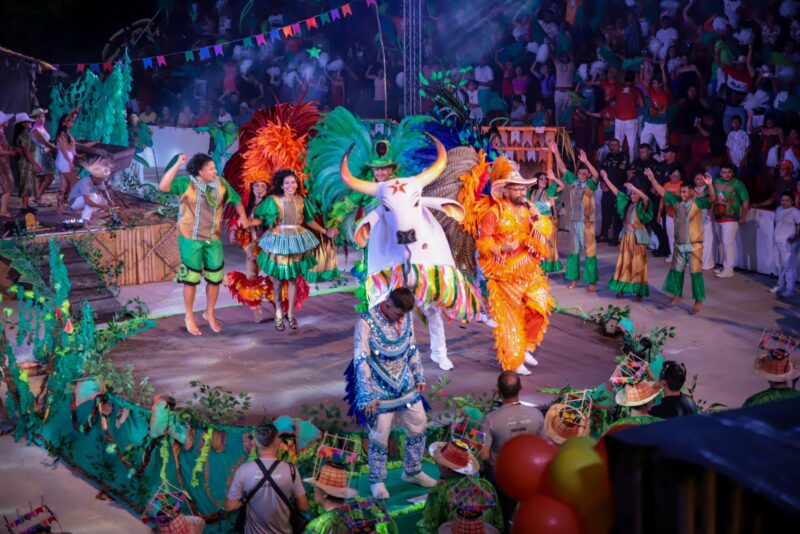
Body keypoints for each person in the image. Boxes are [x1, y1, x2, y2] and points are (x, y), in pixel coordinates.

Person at [345, 288, 437, 500]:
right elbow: (361, 359)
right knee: (380, 435)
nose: (401, 319)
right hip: (378, 390)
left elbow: (411, 347)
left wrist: (418, 374)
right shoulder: (366, 323)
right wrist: (367, 395)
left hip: (405, 384)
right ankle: (377, 480)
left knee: (419, 424)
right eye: (398, 314)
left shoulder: (405, 317)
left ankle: (412, 470)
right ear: (387, 305)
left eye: (404, 315)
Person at [475, 157, 555, 375]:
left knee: (539, 307)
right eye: (517, 189)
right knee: (510, 319)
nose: (522, 192)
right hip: (505, 273)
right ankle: (513, 360)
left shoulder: (528, 210)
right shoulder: (494, 213)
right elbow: (483, 242)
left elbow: (542, 234)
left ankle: (526, 347)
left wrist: (538, 219)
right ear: (506, 191)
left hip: (529, 269)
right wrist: (501, 247)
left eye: (523, 189)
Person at [158, 152, 250, 336]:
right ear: (200, 171)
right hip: (190, 238)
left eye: (215, 168)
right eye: (211, 169)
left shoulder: (221, 184)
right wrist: (177, 164)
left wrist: (243, 217)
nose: (215, 171)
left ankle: (210, 313)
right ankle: (189, 316)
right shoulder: (186, 183)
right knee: (191, 278)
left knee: (215, 277)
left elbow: (237, 201)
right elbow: (163, 186)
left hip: (213, 238)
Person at [253, 169, 337, 331]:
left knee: (293, 279)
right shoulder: (274, 201)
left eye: (293, 182)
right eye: (287, 183)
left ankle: (291, 314)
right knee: (278, 280)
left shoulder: (301, 201)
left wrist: (325, 231)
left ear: (297, 184)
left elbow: (309, 221)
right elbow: (261, 219)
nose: (290, 185)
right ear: (281, 185)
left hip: (296, 241)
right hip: (279, 241)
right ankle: (278, 312)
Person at [479, 371, 544, 528]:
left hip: (502, 477)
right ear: (521, 387)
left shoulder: (490, 419)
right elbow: (544, 447)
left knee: (501, 517)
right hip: (530, 475)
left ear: (498, 389)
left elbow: (483, 455)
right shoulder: (536, 414)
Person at [648, 169, 717, 313]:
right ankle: (677, 295)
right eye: (681, 192)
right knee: (677, 271)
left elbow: (712, 199)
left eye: (685, 192)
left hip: (694, 246)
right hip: (679, 245)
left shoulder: (698, 202)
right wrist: (653, 179)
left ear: (692, 192)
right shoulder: (676, 201)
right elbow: (663, 192)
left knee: (695, 274)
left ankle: (698, 300)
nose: (682, 194)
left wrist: (710, 185)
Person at [225, 422, 309, 534]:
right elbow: (303, 506)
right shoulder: (291, 470)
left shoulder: (243, 471)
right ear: (278, 442)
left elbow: (230, 506)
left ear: (254, 443)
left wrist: (245, 500)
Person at [416, 439, 503, 534]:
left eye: (439, 463)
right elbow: (499, 525)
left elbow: (426, 527)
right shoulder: (487, 486)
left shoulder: (441, 490)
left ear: (447, 468)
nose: (437, 465)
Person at [552, 142, 600, 292]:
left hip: (587, 223)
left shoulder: (591, 185)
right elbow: (563, 169)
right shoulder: (574, 183)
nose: (582, 176)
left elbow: (596, 176)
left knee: (590, 252)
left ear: (588, 175)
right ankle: (573, 278)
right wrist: (556, 152)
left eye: (585, 174)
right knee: (574, 251)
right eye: (580, 173)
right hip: (574, 222)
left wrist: (586, 161)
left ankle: (591, 282)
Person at [601, 171, 653, 301]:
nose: (633, 195)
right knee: (624, 263)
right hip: (626, 238)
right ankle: (623, 287)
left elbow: (646, 198)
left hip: (637, 239)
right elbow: (616, 192)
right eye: (631, 193)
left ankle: (638, 292)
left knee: (637, 264)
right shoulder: (627, 203)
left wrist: (634, 188)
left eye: (635, 193)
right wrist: (606, 179)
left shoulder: (642, 205)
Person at [227, 179, 272, 323]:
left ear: (268, 189)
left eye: (263, 186)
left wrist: (250, 222)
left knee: (274, 276)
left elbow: (265, 222)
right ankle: (256, 309)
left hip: (269, 243)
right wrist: (233, 230)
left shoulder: (271, 204)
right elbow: (237, 219)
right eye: (256, 185)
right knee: (251, 276)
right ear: (251, 188)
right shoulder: (247, 203)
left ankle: (282, 307)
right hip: (251, 242)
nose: (259, 188)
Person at [713, 162, 750, 278]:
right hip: (718, 217)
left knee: (728, 242)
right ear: (720, 173)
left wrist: (743, 216)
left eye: (729, 172)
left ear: (733, 173)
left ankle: (729, 270)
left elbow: (745, 201)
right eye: (724, 172)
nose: (727, 174)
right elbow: (711, 196)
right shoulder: (716, 182)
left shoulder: (738, 184)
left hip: (731, 217)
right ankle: (725, 267)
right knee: (723, 243)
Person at [530, 169, 565, 273]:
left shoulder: (550, 190)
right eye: (541, 179)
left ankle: (549, 265)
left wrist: (553, 178)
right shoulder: (531, 192)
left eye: (545, 179)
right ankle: (538, 263)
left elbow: (562, 186)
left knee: (549, 244)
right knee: (538, 244)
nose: (544, 181)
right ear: (536, 180)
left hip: (548, 221)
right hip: (536, 222)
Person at [770, 192, 800, 298]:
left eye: (787, 200)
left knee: (789, 266)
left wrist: (796, 238)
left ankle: (790, 289)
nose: (784, 202)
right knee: (779, 265)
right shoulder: (779, 209)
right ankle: (780, 284)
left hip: (788, 242)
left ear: (792, 201)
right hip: (777, 240)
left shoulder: (795, 212)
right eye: (782, 200)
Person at [599, 138, 629, 246]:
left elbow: (620, 174)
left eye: (615, 145)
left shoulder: (623, 157)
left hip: (617, 190)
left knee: (617, 215)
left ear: (619, 146)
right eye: (611, 145)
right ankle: (604, 234)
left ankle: (616, 237)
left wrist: (610, 186)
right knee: (605, 212)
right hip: (606, 190)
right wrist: (602, 183)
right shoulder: (608, 156)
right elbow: (601, 169)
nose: (613, 147)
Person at [30, 108, 56, 206]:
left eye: (43, 116)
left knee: (41, 178)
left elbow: (47, 143)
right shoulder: (35, 130)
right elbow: (45, 143)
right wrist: (56, 148)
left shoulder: (41, 128)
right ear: (35, 118)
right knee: (49, 177)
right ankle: (38, 197)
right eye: (39, 117)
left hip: (45, 153)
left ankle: (39, 199)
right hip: (39, 154)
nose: (42, 118)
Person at [13, 113, 37, 212]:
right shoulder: (24, 135)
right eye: (28, 122)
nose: (30, 123)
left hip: (25, 162)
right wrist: (35, 164)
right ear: (23, 123)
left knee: (27, 183)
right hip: (25, 162)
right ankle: (24, 206)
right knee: (26, 183)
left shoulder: (25, 134)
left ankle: (26, 204)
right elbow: (27, 151)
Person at [0, 111, 18, 217]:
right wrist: (10, 152)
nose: (7, 121)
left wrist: (11, 148)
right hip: (2, 164)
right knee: (7, 185)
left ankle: (3, 209)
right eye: (5, 120)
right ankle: (3, 210)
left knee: (7, 185)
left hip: (4, 164)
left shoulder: (2, 133)